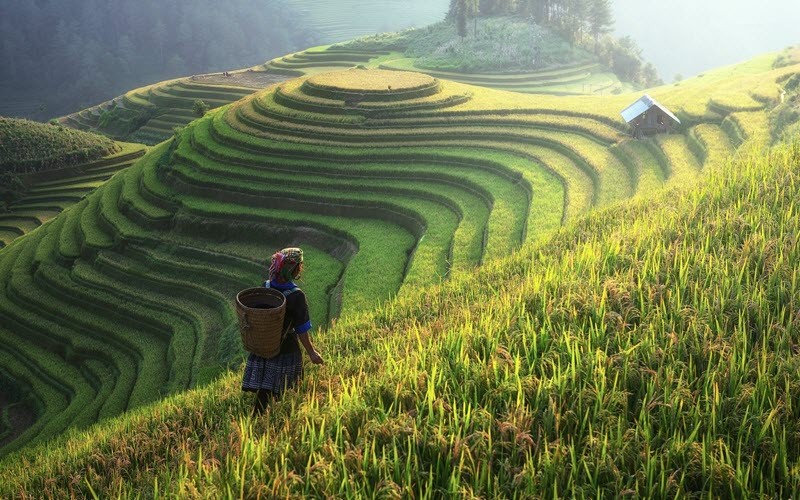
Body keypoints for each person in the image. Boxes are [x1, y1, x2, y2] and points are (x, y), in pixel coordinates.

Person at [241, 247, 324, 416]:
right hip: (285, 348)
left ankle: (259, 419)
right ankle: (270, 421)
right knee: (283, 389)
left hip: (264, 346)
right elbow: (302, 330)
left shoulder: (265, 287)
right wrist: (312, 353)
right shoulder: (296, 296)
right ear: (295, 269)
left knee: (265, 389)